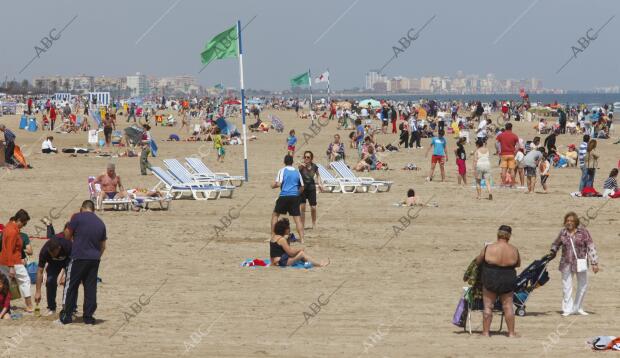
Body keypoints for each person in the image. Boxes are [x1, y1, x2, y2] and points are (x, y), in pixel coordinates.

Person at [59, 200, 107, 325]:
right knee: (90, 288)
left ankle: (67, 315)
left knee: (71, 286)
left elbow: (67, 236)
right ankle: (88, 317)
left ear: (82, 208)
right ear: (93, 209)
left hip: (79, 257)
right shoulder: (100, 223)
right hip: (94, 259)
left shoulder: (77, 217)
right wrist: (96, 256)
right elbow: (103, 246)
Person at [474, 225, 520, 337]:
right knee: (508, 306)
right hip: (508, 278)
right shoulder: (514, 249)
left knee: (488, 306)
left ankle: (485, 332)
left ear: (498, 234)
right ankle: (511, 333)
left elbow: (478, 261)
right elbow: (518, 264)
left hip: (491, 278)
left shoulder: (488, 248)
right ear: (509, 236)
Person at [549, 212, 599, 316]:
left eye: (571, 221)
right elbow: (556, 243)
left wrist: (594, 263)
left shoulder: (583, 232)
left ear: (576, 222)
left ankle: (578, 308)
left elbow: (591, 247)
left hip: (581, 263)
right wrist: (553, 251)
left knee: (583, 285)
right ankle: (567, 309)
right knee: (567, 287)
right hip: (566, 263)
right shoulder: (563, 232)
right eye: (567, 221)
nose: (569, 223)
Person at [34, 223, 72, 316]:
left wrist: (63, 274)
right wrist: (38, 291)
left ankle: (70, 308)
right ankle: (51, 308)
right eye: (51, 254)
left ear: (59, 248)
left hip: (67, 261)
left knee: (70, 282)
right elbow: (39, 271)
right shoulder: (44, 251)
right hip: (54, 265)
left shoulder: (67, 245)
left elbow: (73, 262)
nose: (52, 255)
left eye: (54, 254)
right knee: (50, 281)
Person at [0, 209, 33, 312]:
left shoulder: (8, 226)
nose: (23, 226)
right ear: (19, 220)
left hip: (3, 261)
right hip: (13, 261)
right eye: (23, 223)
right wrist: (11, 267)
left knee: (6, 283)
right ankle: (29, 305)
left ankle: (5, 306)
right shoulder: (12, 231)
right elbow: (9, 249)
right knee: (25, 280)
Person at [271, 155, 305, 243]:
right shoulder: (297, 171)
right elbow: (302, 187)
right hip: (294, 197)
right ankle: (302, 239)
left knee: (275, 215)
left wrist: (272, 186)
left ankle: (273, 236)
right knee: (297, 219)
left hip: (284, 196)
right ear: (292, 162)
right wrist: (296, 194)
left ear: (284, 162)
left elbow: (278, 184)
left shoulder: (282, 170)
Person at [298, 151, 323, 230]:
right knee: (303, 207)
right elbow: (298, 168)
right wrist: (301, 166)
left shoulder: (314, 166)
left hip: (311, 188)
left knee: (313, 208)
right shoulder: (301, 166)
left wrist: (319, 184)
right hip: (302, 188)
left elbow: (318, 175)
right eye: (305, 157)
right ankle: (302, 225)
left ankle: (314, 223)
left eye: (308, 157)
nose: (306, 158)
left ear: (311, 158)